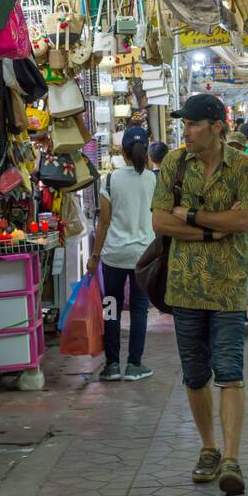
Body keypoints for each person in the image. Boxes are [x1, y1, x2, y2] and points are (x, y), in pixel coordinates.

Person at [151, 94, 248, 496]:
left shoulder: (242, 165)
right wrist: (214, 230)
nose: (186, 131)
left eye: (193, 124)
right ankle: (208, 448)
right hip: (185, 285)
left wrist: (191, 216)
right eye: (184, 125)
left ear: (216, 126)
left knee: (230, 371)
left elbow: (243, 220)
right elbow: (161, 221)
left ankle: (231, 459)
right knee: (195, 374)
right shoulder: (175, 165)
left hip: (228, 285)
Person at [87, 126, 155, 383]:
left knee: (111, 308)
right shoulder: (153, 180)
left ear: (122, 152)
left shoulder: (110, 180)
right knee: (139, 310)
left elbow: (103, 222)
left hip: (114, 255)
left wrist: (94, 256)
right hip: (143, 256)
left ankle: (112, 365)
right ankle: (134, 365)